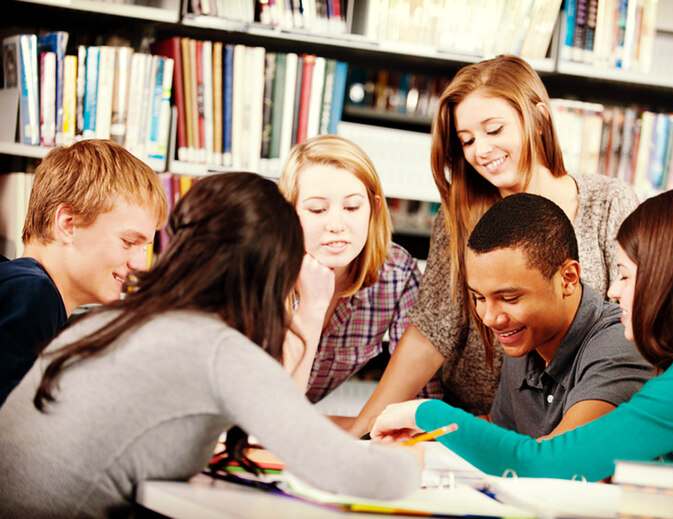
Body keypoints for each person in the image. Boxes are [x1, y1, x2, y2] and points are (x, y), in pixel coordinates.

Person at [0, 173, 421, 517]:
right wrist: (412, 461)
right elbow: (338, 468)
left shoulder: (114, 319)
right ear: (273, 272)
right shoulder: (217, 348)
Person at [371, 187, 673, 480]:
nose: (615, 290)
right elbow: (507, 434)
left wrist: (424, 411)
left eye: (625, 275)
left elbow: (543, 464)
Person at [348, 55, 639, 434]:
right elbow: (433, 329)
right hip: (476, 420)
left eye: (494, 129)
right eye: (467, 140)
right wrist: (364, 427)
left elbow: (635, 316)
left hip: (575, 418)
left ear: (538, 117)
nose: (481, 150)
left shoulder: (608, 202)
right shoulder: (461, 215)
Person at [468, 193, 651, 438]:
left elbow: (557, 456)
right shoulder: (522, 336)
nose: (490, 318)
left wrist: (427, 414)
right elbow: (499, 430)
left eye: (509, 299)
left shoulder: (618, 343)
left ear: (568, 279)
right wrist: (427, 433)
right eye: (479, 298)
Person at [0, 139, 168, 405]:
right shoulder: (33, 294)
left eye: (144, 247)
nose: (141, 265)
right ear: (68, 224)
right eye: (128, 242)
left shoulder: (26, 290)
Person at [277, 134, 440, 404]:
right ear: (289, 213)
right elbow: (267, 405)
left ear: (373, 209)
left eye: (352, 207)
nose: (337, 224)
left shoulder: (396, 275)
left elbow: (420, 395)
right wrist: (312, 308)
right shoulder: (257, 270)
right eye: (318, 210)